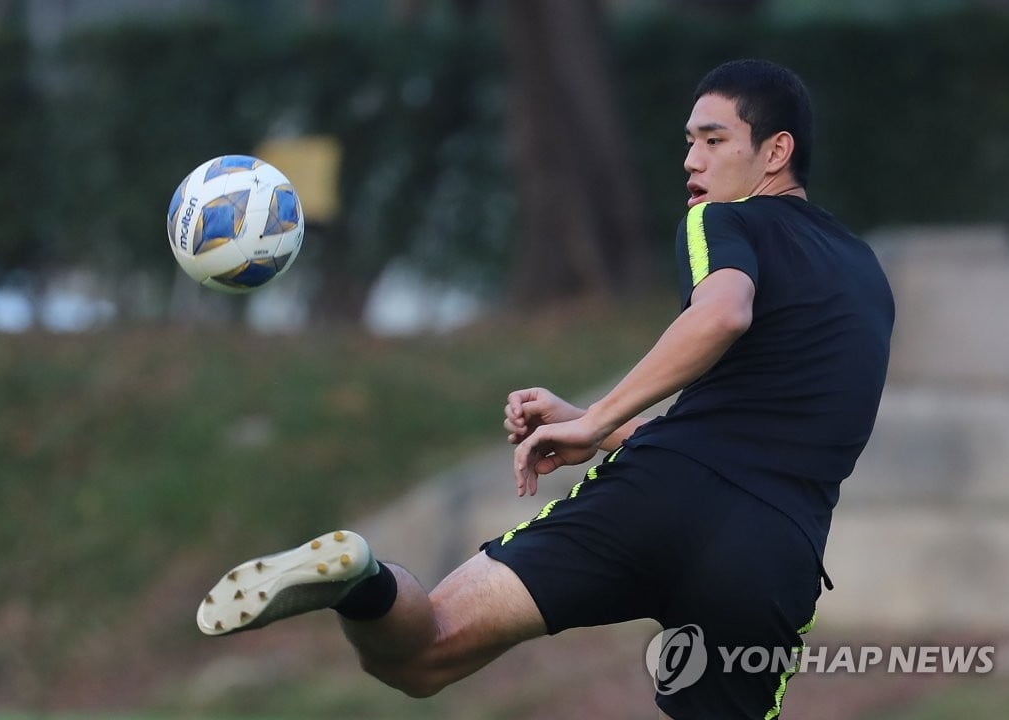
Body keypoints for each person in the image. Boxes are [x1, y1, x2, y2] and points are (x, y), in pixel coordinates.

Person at [196, 59, 894, 719]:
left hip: (659, 497)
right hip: (774, 552)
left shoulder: (723, 219)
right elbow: (763, 435)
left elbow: (722, 313)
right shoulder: (867, 275)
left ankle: (359, 580)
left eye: (714, 140)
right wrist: (603, 424)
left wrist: (595, 423)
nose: (691, 161)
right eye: (689, 142)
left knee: (424, 651)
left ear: (776, 152)